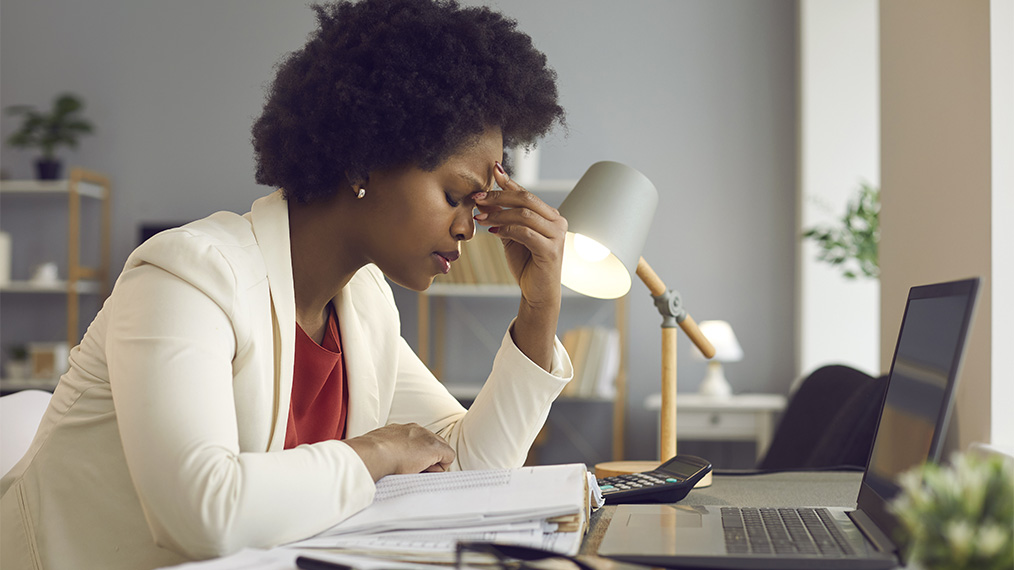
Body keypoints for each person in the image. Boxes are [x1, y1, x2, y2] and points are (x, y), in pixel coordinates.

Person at [0, 1, 571, 568]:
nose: (469, 228)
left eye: (478, 206)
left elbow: (466, 474)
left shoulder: (363, 308)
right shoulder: (189, 276)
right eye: (455, 196)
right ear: (363, 161)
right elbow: (200, 512)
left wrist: (539, 307)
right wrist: (374, 452)